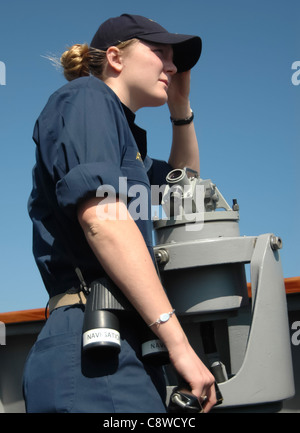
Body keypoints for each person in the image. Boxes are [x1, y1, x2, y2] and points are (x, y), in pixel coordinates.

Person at [23, 13, 216, 413]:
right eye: (160, 52)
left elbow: (184, 186)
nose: (172, 65)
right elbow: (102, 220)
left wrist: (180, 108)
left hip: (122, 340)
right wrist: (179, 346)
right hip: (91, 348)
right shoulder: (86, 99)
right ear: (115, 57)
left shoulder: (122, 136)